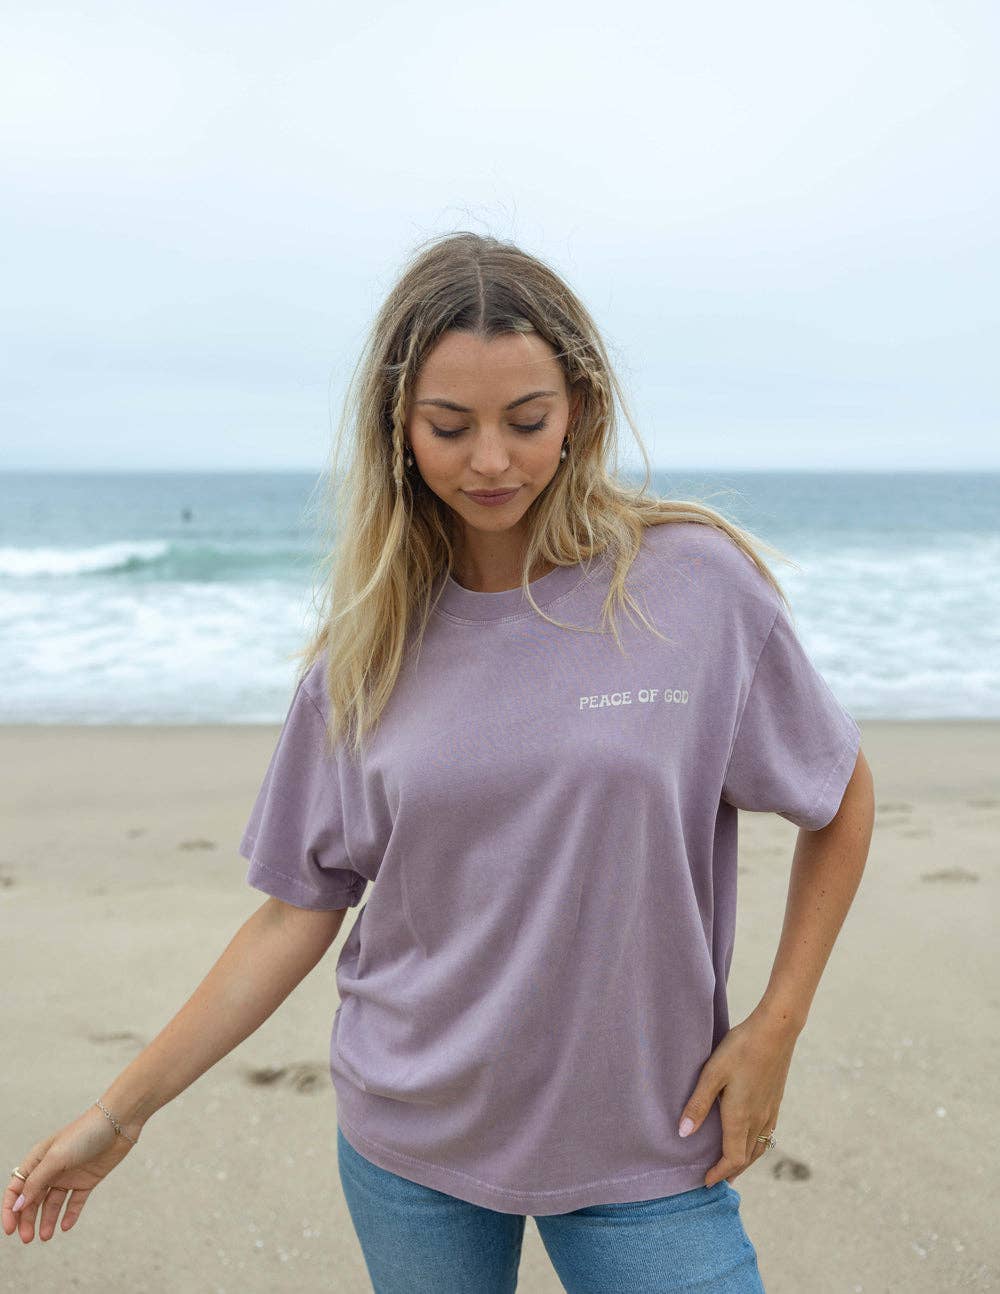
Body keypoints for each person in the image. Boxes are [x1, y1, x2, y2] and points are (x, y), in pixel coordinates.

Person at [3, 231, 875, 1291]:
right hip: (411, 1144)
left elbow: (838, 792)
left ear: (580, 410)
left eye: (527, 421)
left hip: (650, 1136)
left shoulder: (693, 588)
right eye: (450, 426)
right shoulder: (366, 650)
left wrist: (777, 1025)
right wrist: (118, 1114)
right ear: (400, 430)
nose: (491, 461)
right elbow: (293, 914)